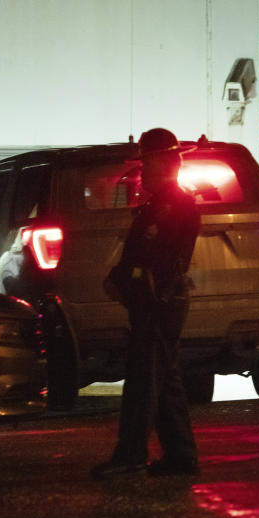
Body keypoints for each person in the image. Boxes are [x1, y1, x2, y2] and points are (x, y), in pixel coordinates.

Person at [91, 128, 202, 478]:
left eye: (147, 163)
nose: (142, 172)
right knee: (164, 379)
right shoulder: (160, 204)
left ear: (164, 162)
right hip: (155, 301)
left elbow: (157, 255)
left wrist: (127, 277)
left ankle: (131, 453)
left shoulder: (173, 205)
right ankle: (181, 454)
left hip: (159, 301)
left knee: (143, 380)